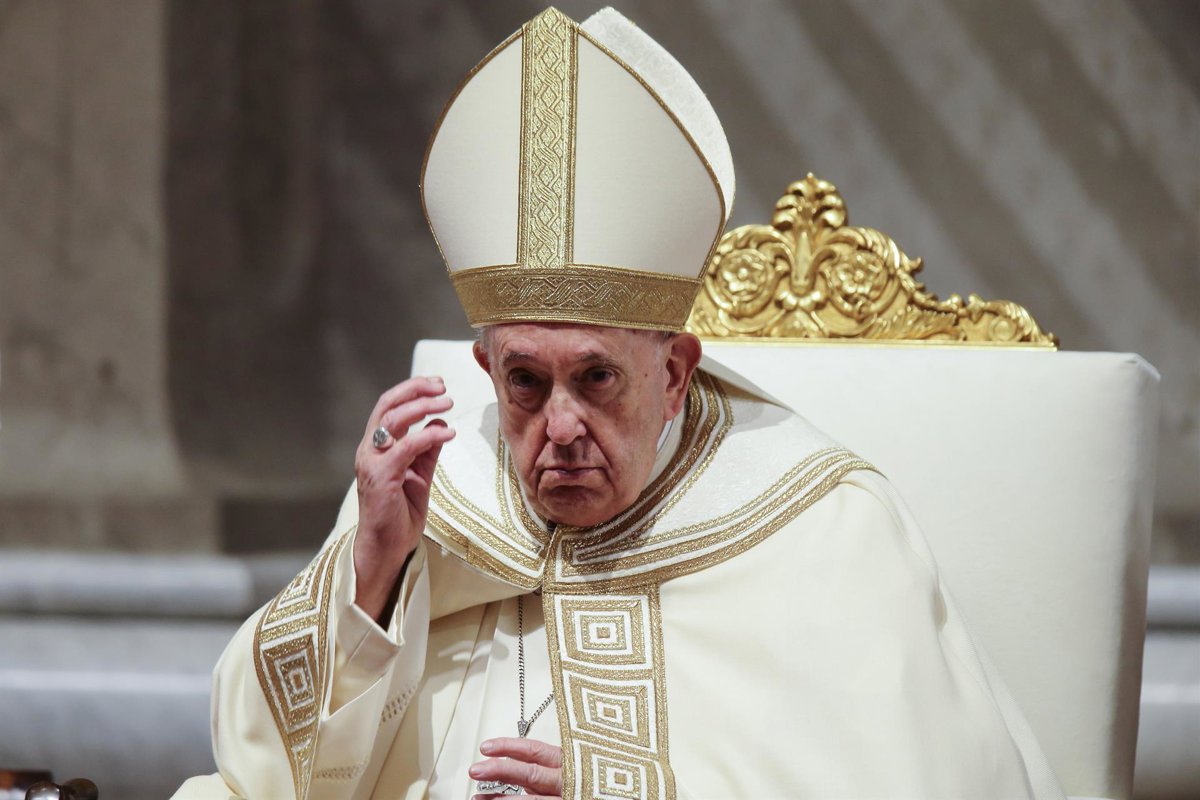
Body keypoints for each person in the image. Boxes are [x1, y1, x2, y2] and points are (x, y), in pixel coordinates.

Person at [175, 7, 1065, 800]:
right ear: (486, 370)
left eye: (597, 378)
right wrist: (372, 570)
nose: (559, 429)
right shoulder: (430, 495)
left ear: (674, 372)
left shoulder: (825, 526)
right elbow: (260, 775)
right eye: (526, 382)